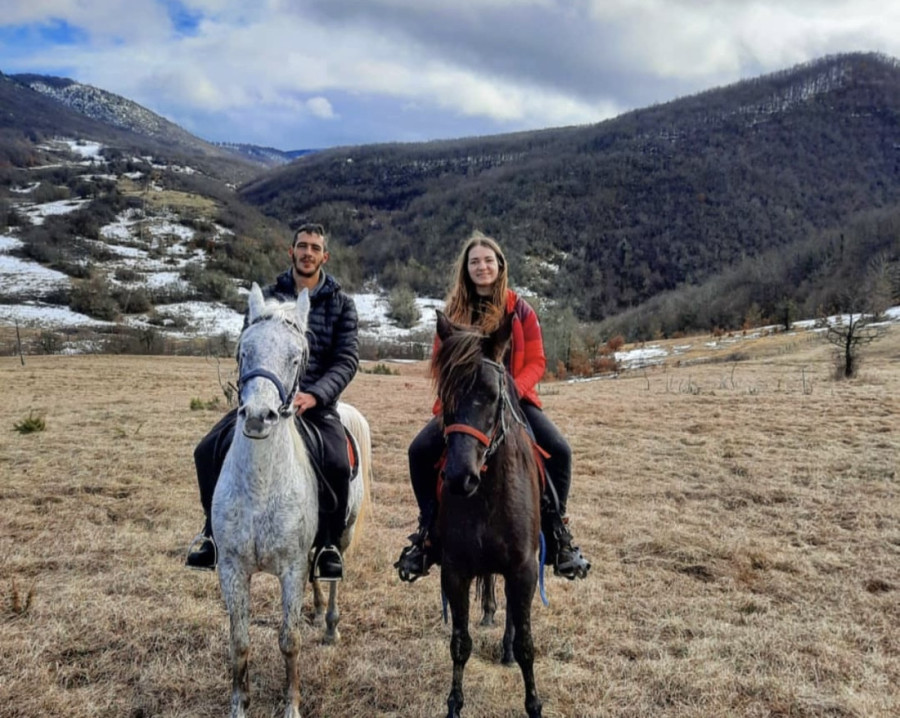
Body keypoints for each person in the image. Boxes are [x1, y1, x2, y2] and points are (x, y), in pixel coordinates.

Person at [394, 230, 591, 582]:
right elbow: (441, 363)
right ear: (466, 269)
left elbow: (537, 360)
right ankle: (426, 532)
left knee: (560, 451)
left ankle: (559, 534)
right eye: (474, 262)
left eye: (488, 260)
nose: (482, 267)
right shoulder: (454, 313)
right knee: (419, 451)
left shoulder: (520, 309)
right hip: (463, 405)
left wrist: (512, 390)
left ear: (500, 265)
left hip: (512, 399)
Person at [185, 222, 359, 582]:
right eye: (302, 246)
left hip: (314, 404)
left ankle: (327, 544)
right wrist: (254, 391)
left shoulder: (341, 305)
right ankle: (211, 535)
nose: (307, 252)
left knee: (339, 464)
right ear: (291, 251)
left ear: (324, 256)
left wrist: (317, 395)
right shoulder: (265, 298)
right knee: (206, 451)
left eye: (315, 247)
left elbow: (347, 360)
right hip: (264, 399)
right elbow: (247, 349)